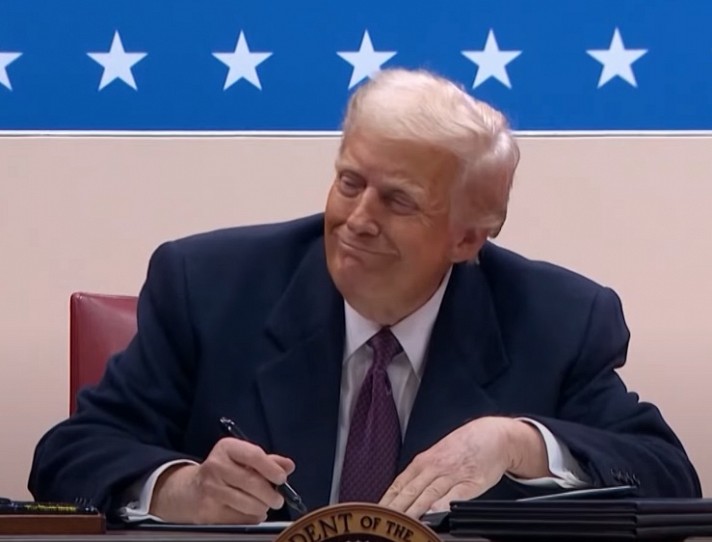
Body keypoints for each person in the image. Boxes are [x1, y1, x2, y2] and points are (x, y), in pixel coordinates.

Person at [29, 68, 700, 525]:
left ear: (467, 237)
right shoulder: (207, 287)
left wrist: (518, 441)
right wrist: (183, 491)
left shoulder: (557, 320)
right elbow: (68, 457)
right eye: (350, 183)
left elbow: (670, 478)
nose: (357, 220)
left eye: (398, 201)